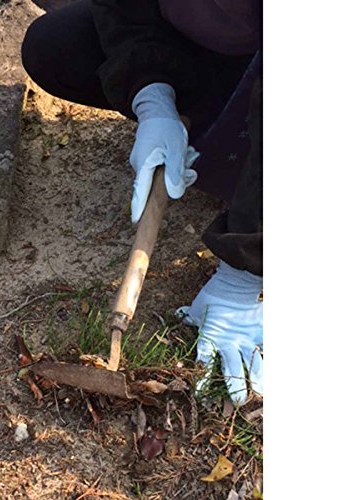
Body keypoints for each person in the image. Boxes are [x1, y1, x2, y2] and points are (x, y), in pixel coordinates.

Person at [21, 0, 262, 406]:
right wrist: (153, 98)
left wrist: (246, 268)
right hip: (232, 63)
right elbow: (121, 8)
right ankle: (218, 139)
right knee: (56, 44)